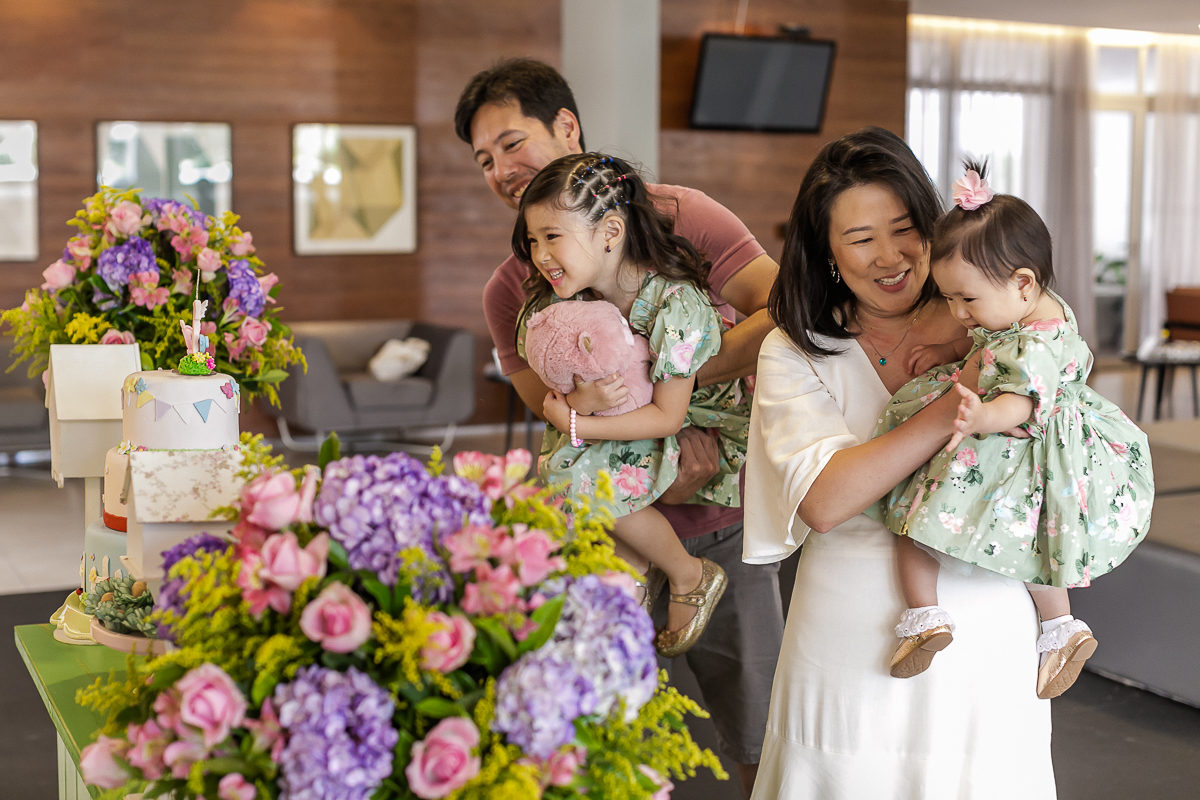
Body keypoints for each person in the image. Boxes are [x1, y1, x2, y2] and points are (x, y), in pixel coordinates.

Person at [458, 58, 782, 796]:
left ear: (565, 127)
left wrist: (678, 395)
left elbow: (780, 308)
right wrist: (631, 434)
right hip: (607, 521)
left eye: (511, 144)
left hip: (721, 516)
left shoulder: (680, 216)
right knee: (595, 724)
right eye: (483, 160)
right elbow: (547, 402)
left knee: (759, 722)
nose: (501, 170)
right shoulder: (514, 282)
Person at [743, 127, 1057, 798]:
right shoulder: (797, 351)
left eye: (905, 228)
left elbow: (1057, 381)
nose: (889, 256)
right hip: (849, 627)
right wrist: (955, 404)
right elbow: (825, 500)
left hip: (984, 605)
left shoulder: (991, 316)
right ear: (826, 253)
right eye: (860, 240)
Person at [867, 161, 1153, 696]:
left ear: (1022, 282)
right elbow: (984, 345)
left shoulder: (1039, 343)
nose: (957, 312)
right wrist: (946, 349)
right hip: (1029, 439)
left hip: (1019, 438)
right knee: (1036, 540)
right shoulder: (1029, 313)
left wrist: (980, 416)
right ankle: (1057, 627)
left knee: (912, 516)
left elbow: (1021, 402)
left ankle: (926, 615)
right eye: (949, 297)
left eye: (966, 300)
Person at [514, 152, 751, 656]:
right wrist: (580, 405)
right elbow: (559, 382)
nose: (539, 255)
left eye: (553, 237)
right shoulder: (569, 302)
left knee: (580, 471)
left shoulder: (675, 303)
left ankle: (690, 574)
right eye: (533, 241)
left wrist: (577, 422)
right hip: (629, 423)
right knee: (580, 469)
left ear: (611, 231)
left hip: (699, 426)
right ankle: (631, 585)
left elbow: (667, 415)